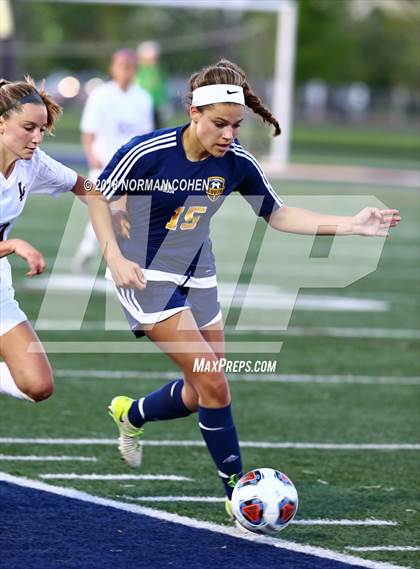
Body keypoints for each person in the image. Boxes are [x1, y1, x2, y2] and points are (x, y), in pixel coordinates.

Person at [86, 59, 400, 515]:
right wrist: (113, 253)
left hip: (199, 272)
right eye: (219, 124)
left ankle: (132, 414)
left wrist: (350, 225)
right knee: (214, 382)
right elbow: (97, 193)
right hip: (145, 276)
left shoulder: (235, 162)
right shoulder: (147, 151)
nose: (229, 135)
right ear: (193, 113)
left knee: (201, 392)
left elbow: (279, 214)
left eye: (235, 125)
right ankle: (238, 491)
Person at [0, 76, 88, 402]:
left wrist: (121, 206)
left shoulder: (31, 162)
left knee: (38, 386)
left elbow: (82, 185)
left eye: (41, 129)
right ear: (1, 124)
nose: (37, 138)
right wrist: (13, 245)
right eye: (28, 128)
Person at [72, 48, 154, 272]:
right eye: (122, 65)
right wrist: (91, 155)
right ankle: (89, 249)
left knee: (125, 212)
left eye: (130, 66)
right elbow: (88, 129)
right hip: (104, 164)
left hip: (132, 168)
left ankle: (122, 256)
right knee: (100, 207)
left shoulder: (143, 97)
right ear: (112, 68)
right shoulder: (101, 95)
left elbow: (146, 135)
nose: (126, 70)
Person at [136, 41, 168, 129]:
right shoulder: (138, 70)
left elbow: (161, 88)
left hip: (155, 106)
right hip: (140, 108)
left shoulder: (158, 70)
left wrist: (164, 102)